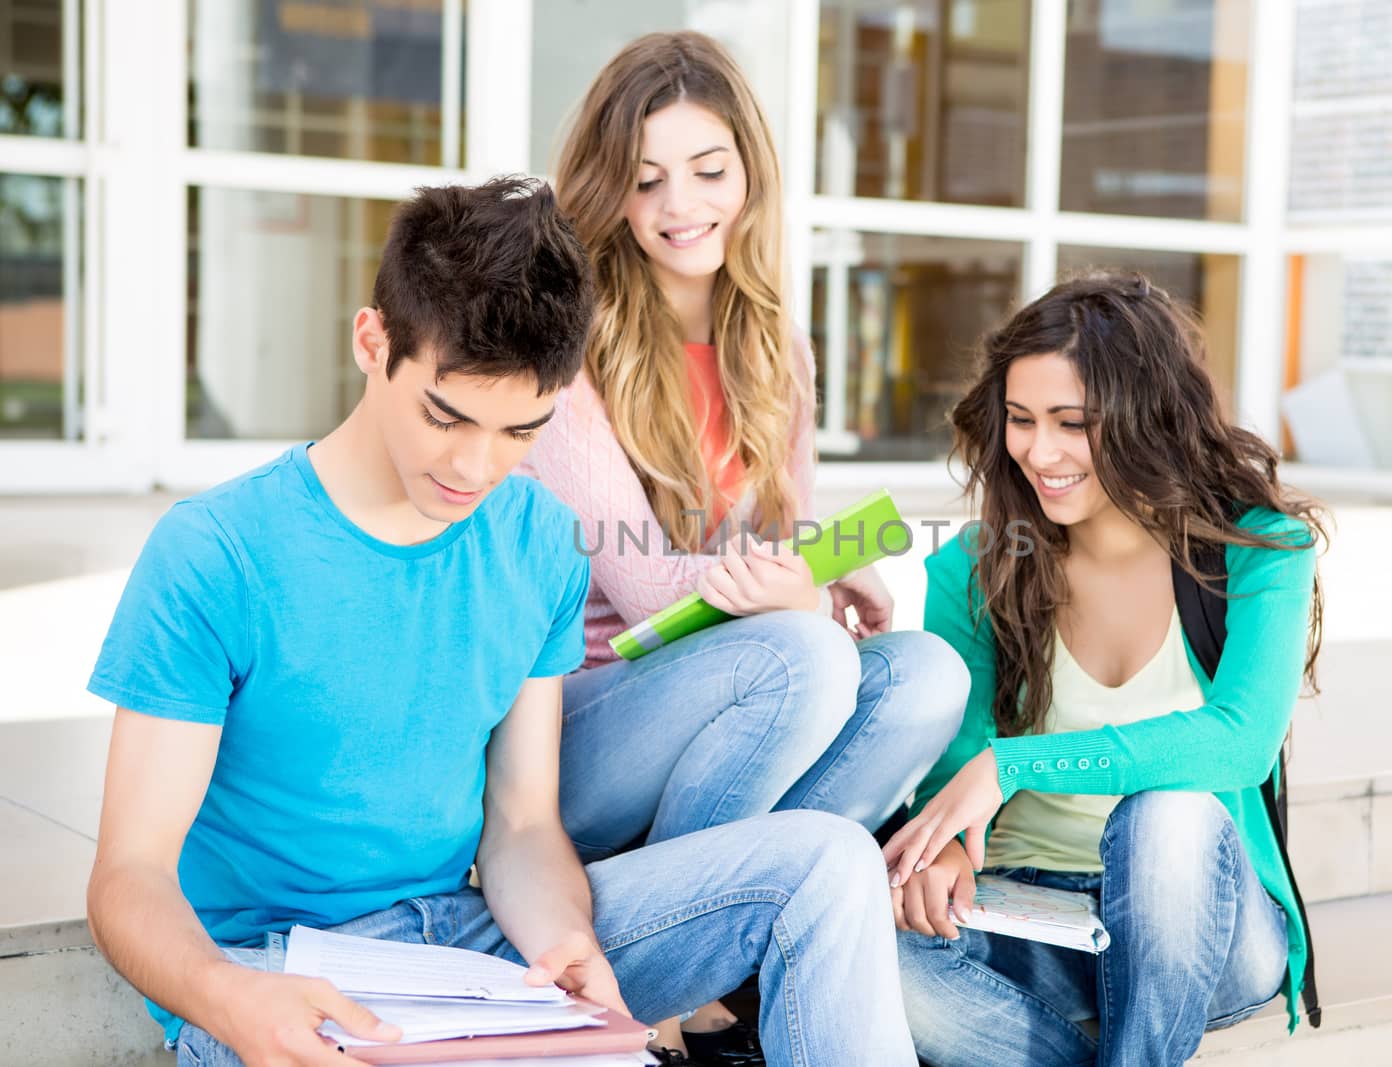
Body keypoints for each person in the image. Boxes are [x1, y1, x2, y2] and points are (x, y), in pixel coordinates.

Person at [83, 177, 917, 1067]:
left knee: (828, 863)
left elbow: (519, 821)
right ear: (373, 342)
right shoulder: (218, 551)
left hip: (469, 951)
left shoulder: (538, 540)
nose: (475, 467)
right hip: (273, 977)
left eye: (521, 430)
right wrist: (231, 1001)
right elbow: (127, 877)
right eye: (447, 414)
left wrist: (565, 942)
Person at [519, 32, 967, 1064]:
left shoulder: (778, 346)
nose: (683, 205)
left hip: (724, 711)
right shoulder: (570, 350)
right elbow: (644, 589)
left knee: (925, 676)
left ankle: (727, 954)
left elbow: (770, 542)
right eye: (647, 180)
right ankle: (675, 988)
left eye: (709, 170)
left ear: (750, 171)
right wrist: (806, 575)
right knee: (804, 651)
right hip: (585, 724)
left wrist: (820, 557)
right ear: (612, 195)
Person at [882, 270, 1327, 1067]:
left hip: (1204, 922)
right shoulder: (976, 567)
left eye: (1071, 423)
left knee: (1171, 814)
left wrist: (1013, 763)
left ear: (1147, 417)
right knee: (867, 956)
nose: (1038, 452)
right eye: (1020, 420)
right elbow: (954, 758)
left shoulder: (1260, 549)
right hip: (1026, 911)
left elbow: (1241, 741)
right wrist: (946, 849)